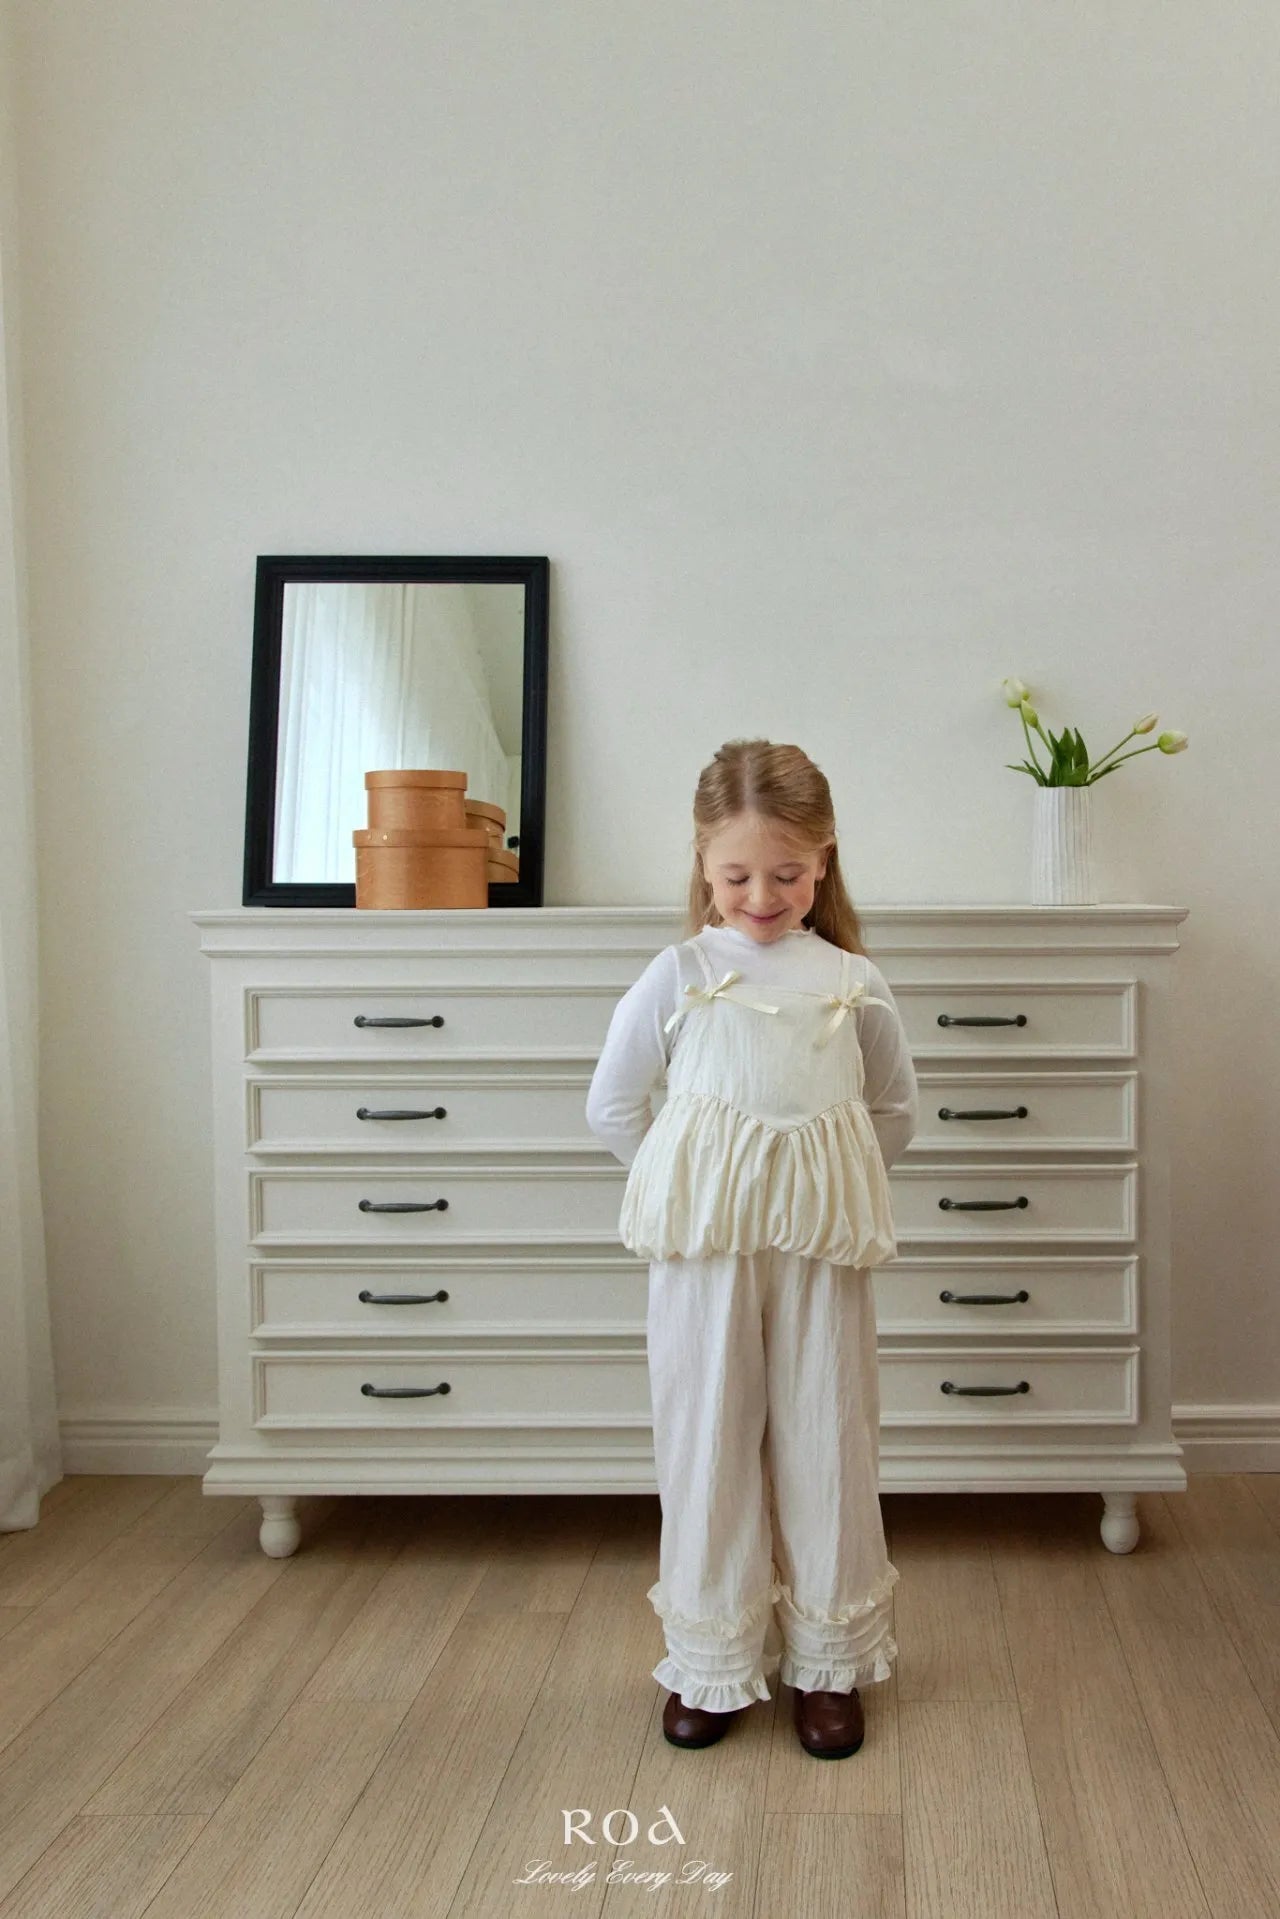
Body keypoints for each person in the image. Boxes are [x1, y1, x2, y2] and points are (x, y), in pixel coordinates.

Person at [585, 738, 919, 1760]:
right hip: (706, 1256)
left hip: (819, 1251)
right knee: (707, 1442)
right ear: (701, 862)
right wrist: (695, 1181)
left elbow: (893, 1109)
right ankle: (711, 1658)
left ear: (822, 860)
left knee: (828, 1435)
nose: (761, 896)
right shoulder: (679, 974)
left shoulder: (850, 980)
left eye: (785, 872)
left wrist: (818, 1183)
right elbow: (614, 1104)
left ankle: (827, 1661)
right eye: (736, 875)